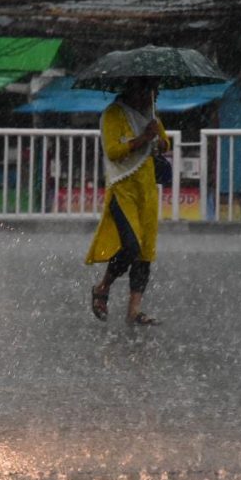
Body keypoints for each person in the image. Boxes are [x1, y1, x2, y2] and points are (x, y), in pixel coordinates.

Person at [86, 77, 170, 325]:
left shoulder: (151, 116)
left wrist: (160, 141)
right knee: (131, 246)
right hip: (122, 189)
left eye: (155, 93)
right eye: (151, 91)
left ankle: (134, 311)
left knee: (145, 251)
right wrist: (143, 138)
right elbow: (113, 151)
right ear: (135, 90)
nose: (153, 98)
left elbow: (164, 143)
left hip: (147, 191)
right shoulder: (113, 115)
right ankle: (102, 287)